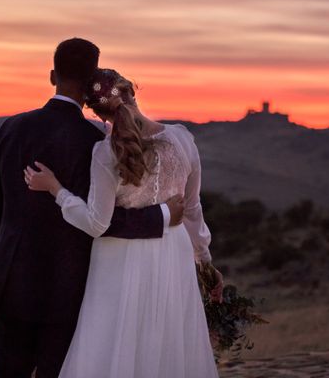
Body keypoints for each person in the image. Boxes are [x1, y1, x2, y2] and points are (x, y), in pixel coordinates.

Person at [0, 38, 185, 378]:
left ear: (51, 76)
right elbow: (103, 220)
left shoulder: (10, 128)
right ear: (91, 82)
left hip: (13, 278)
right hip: (68, 283)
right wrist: (161, 216)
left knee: (6, 371)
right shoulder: (93, 142)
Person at [25, 67, 222, 378]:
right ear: (132, 90)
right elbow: (193, 208)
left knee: (116, 344)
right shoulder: (183, 139)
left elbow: (96, 223)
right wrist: (205, 260)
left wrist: (56, 190)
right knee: (168, 339)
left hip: (119, 260)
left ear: (98, 113)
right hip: (175, 253)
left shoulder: (105, 153)